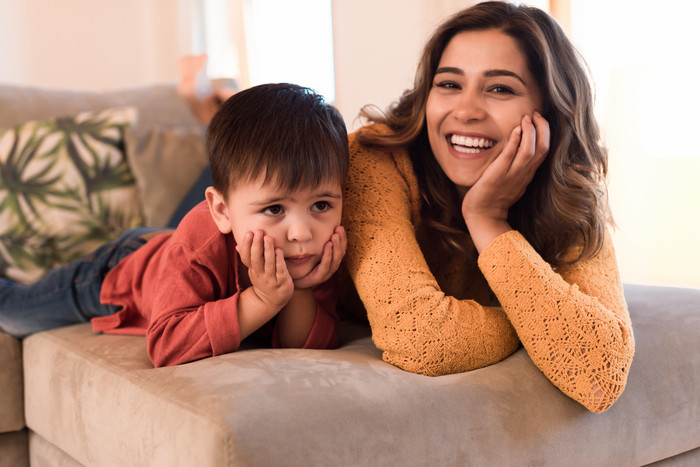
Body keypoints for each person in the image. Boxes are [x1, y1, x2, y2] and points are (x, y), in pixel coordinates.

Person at [339, 1, 634, 413]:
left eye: (500, 89)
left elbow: (599, 373)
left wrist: (487, 221)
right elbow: (420, 338)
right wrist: (533, 321)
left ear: (549, 110)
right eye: (449, 84)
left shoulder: (568, 186)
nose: (465, 111)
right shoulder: (374, 157)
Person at [0, 83, 349, 367]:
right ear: (222, 211)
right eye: (275, 209)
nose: (302, 232)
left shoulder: (313, 248)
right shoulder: (200, 243)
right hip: (121, 269)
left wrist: (300, 289)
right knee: (15, 312)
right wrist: (262, 298)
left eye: (321, 205)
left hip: (164, 244)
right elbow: (167, 346)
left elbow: (303, 349)